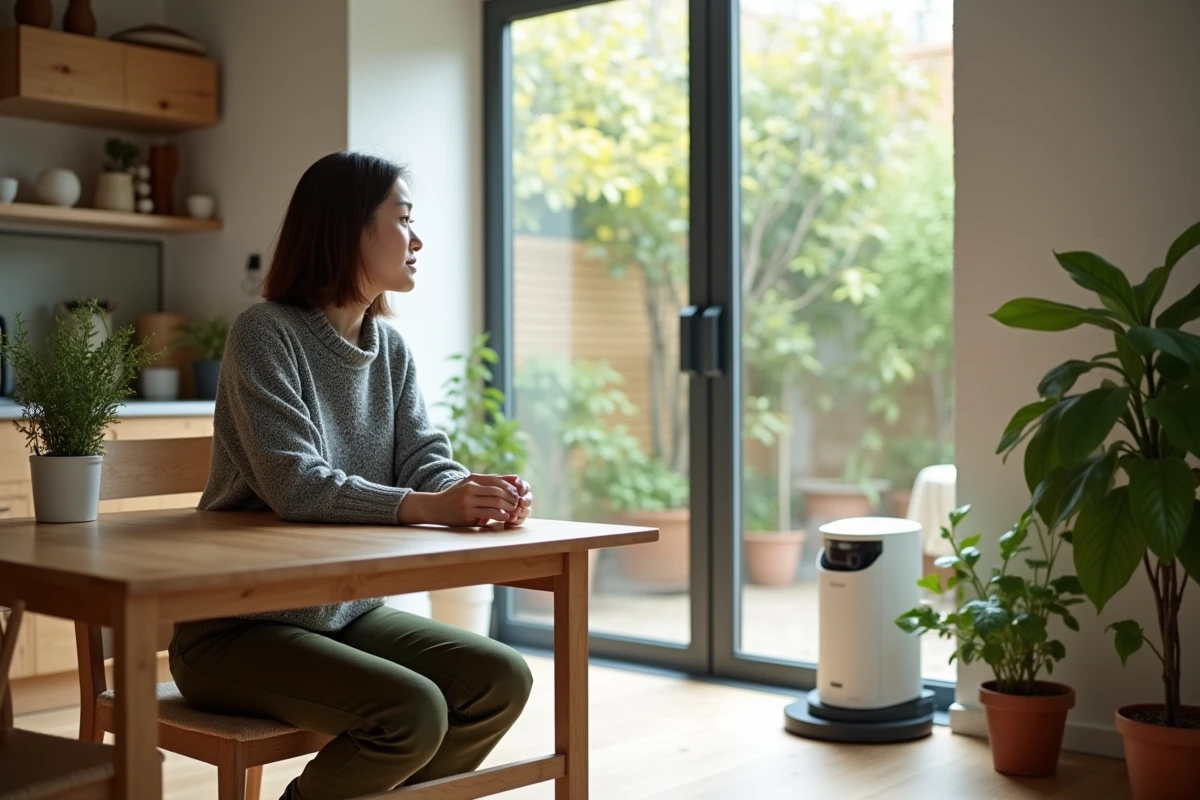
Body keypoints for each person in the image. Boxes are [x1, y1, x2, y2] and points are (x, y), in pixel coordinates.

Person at [167, 151, 535, 800]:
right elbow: (296, 483)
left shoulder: (389, 348)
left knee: (500, 680)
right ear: (348, 229)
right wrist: (431, 507)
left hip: (341, 613)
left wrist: (472, 494)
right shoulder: (265, 333)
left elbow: (423, 458)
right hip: (233, 629)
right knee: (411, 713)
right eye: (403, 219)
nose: (418, 239)